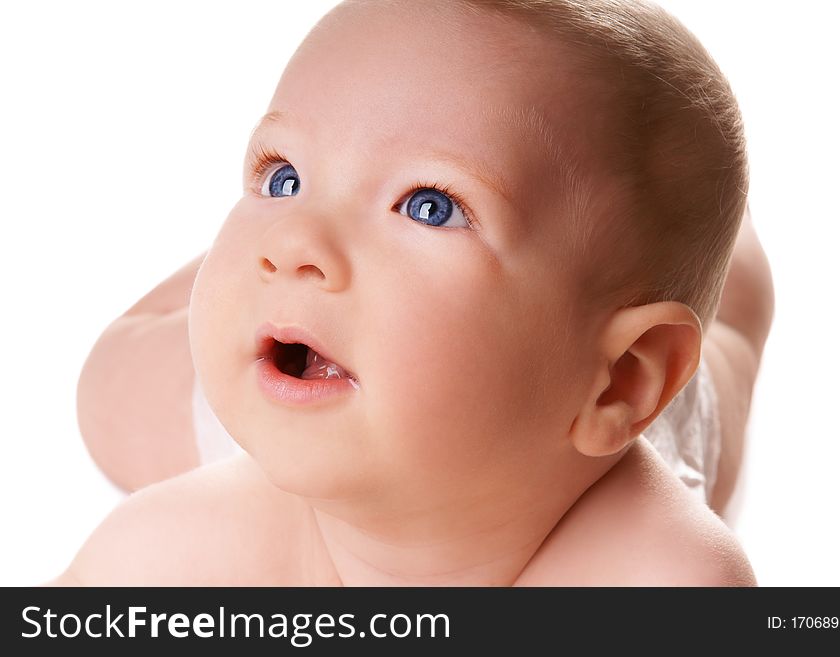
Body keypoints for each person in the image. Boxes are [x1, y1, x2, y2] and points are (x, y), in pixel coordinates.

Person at [54, 0, 774, 586]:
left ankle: (737, 244)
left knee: (727, 330)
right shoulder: (193, 538)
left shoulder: (657, 577)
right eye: (282, 176)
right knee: (109, 393)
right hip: (310, 380)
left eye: (429, 204)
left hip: (569, 405)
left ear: (620, 377)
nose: (291, 241)